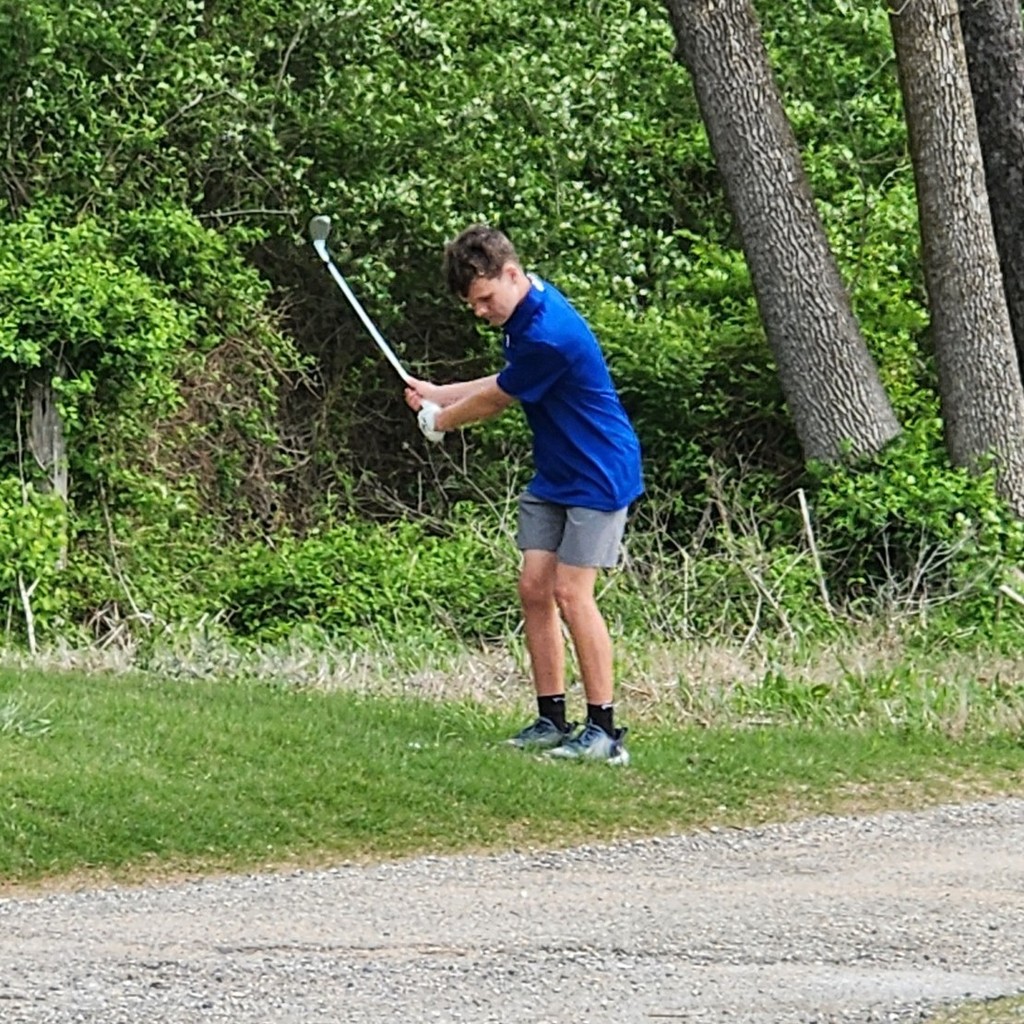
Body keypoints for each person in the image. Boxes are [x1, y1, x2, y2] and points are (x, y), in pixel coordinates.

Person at [404, 224, 643, 765]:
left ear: (511, 274)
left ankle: (604, 733)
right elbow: (504, 380)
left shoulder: (549, 332)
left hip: (599, 473)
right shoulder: (523, 314)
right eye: (473, 305)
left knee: (571, 593)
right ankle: (552, 719)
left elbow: (496, 401)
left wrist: (440, 420)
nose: (481, 312)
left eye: (485, 299)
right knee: (534, 588)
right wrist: (439, 393)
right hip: (557, 471)